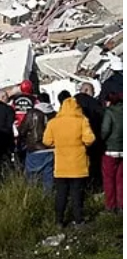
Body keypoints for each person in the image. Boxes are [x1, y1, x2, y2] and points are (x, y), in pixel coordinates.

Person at [43, 97, 96, 228]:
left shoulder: (53, 122)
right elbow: (90, 139)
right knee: (77, 194)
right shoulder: (82, 121)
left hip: (61, 165)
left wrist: (58, 144)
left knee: (61, 194)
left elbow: (46, 141)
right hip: (78, 165)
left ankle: (59, 220)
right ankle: (78, 220)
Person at [19, 92, 56, 191]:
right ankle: (48, 200)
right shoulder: (54, 114)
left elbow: (22, 130)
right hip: (51, 149)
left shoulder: (32, 113)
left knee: (32, 179)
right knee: (49, 178)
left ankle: (33, 199)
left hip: (35, 149)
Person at [74, 81, 106, 190]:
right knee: (93, 166)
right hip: (93, 141)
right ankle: (94, 187)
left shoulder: (71, 102)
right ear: (88, 90)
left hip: (74, 142)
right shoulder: (95, 104)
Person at [100, 92, 123, 214]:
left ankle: (110, 206)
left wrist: (102, 140)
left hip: (110, 149)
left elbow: (105, 130)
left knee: (109, 179)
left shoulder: (109, 112)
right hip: (123, 150)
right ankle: (122, 205)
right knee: (121, 179)